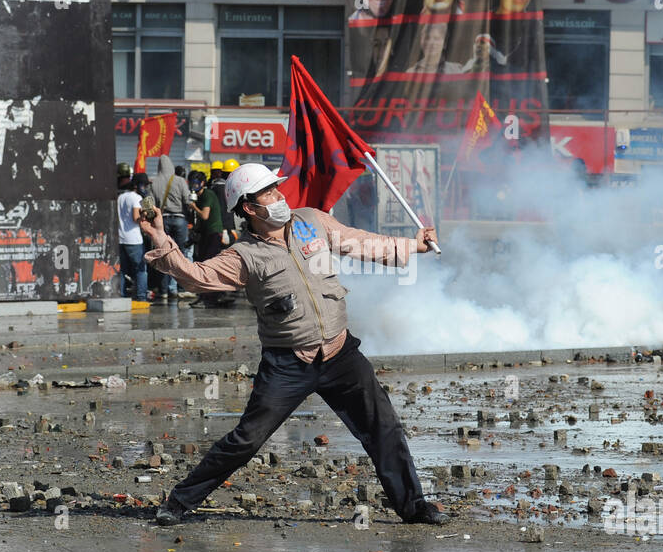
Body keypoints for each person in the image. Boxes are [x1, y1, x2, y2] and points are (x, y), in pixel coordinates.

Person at [142, 162, 447, 527]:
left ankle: (414, 508)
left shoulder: (311, 222)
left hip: (340, 353)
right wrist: (162, 241)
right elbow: (199, 277)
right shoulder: (244, 256)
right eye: (268, 192)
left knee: (385, 426)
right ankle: (178, 501)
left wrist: (412, 245)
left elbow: (359, 241)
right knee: (247, 440)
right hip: (288, 364)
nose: (279, 196)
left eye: (276, 188)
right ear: (249, 208)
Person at [149, 155, 189, 301]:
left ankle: (164, 290)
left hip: (163, 221)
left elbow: (151, 205)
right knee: (180, 255)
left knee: (164, 255)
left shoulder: (154, 183)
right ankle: (180, 288)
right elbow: (187, 200)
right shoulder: (179, 180)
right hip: (179, 219)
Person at [187, 168, 228, 308]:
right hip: (206, 233)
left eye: (196, 183)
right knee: (202, 264)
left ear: (202, 183)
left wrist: (193, 207)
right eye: (191, 183)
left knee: (209, 266)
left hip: (213, 233)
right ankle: (205, 296)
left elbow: (204, 215)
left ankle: (211, 297)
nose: (193, 186)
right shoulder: (199, 196)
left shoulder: (208, 194)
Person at [117, 163, 149, 301]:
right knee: (141, 269)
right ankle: (141, 296)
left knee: (122, 270)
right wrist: (145, 215)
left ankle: (122, 294)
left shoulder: (121, 197)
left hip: (121, 238)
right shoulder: (136, 198)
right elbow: (136, 218)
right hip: (134, 239)